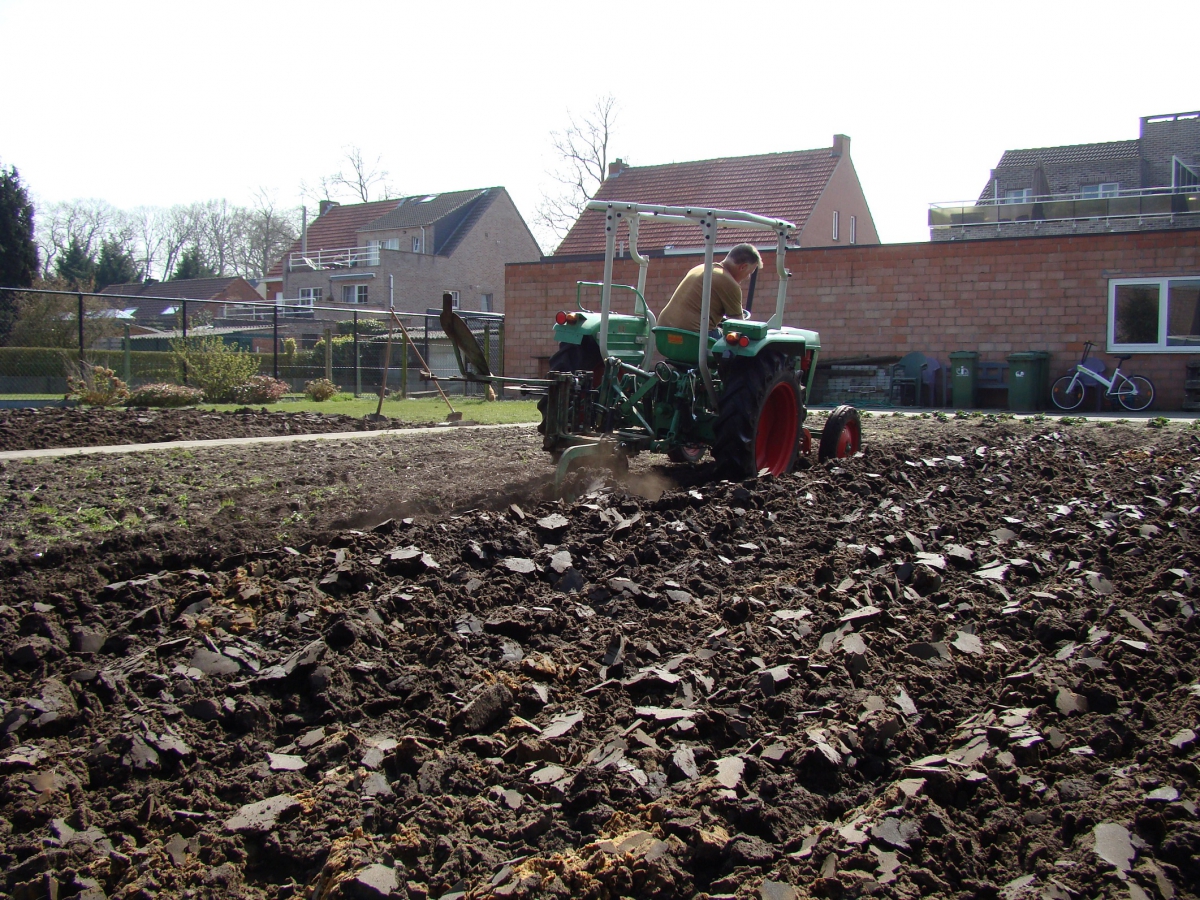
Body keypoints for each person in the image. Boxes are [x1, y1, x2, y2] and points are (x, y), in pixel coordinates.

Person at [656, 243, 762, 335]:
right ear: (743, 267)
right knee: (738, 342)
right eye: (749, 273)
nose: (747, 277)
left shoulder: (701, 268)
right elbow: (738, 325)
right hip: (693, 336)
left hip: (664, 332)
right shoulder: (729, 283)